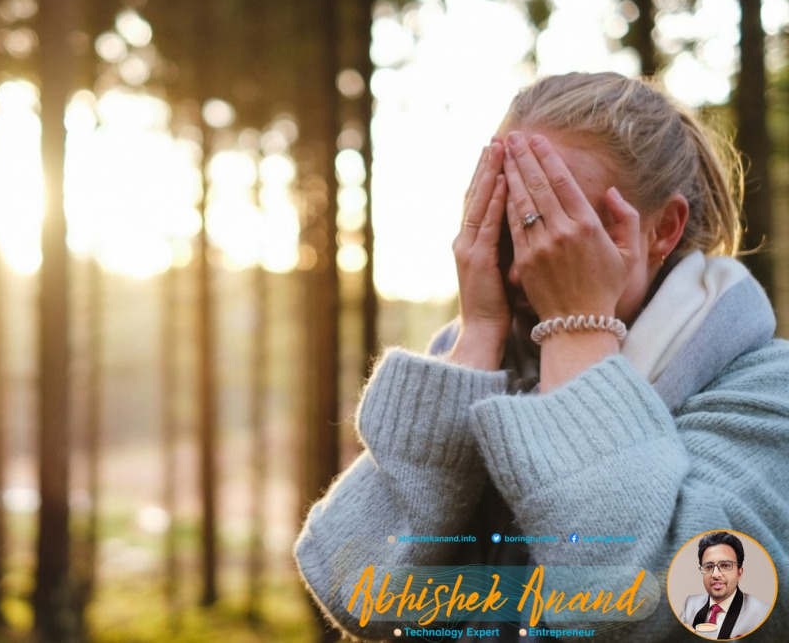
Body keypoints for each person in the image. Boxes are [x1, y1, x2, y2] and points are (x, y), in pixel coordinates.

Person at [293, 72, 789, 642]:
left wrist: (579, 330)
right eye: (508, 225)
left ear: (664, 229)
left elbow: (681, 614)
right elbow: (353, 590)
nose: (521, 267)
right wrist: (477, 335)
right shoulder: (477, 377)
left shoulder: (765, 393)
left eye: (555, 225)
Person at [679, 532, 772, 639]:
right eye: (708, 567)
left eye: (725, 565)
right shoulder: (691, 604)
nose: (715, 574)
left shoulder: (763, 613)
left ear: (739, 573)